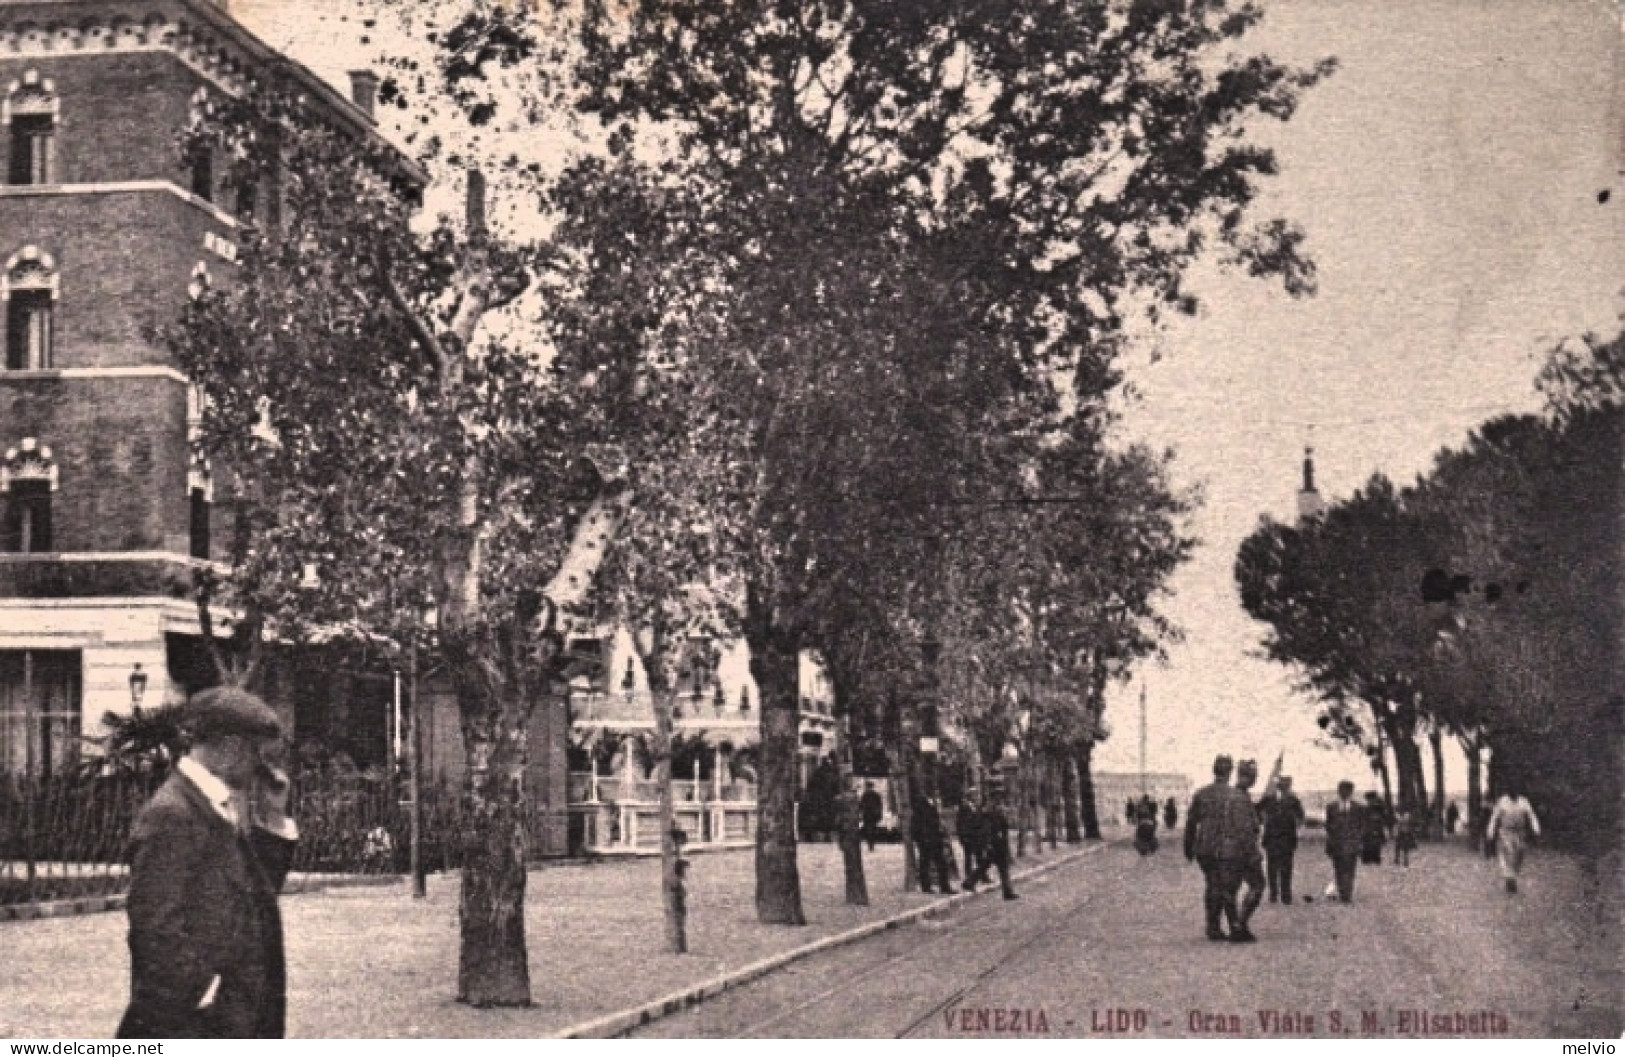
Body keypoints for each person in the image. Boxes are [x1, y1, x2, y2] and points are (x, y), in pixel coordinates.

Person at [117, 688, 298, 1039]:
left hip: (234, 1017)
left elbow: (253, 900)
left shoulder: (213, 803)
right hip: (196, 1024)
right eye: (258, 753)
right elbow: (155, 929)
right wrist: (206, 992)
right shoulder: (172, 813)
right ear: (231, 747)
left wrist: (273, 819)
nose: (264, 767)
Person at [1184, 755, 1252, 941]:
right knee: (1227, 887)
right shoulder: (1236, 796)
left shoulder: (1201, 794)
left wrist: (1188, 848)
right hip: (1227, 849)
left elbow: (1191, 823)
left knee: (1212, 884)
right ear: (1230, 772)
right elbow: (1242, 827)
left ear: (1214, 770)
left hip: (1205, 848)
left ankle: (1212, 925)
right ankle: (1232, 925)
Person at [1224, 759, 1265, 942]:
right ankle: (1240, 924)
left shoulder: (1234, 795)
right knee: (1258, 885)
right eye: (1253, 776)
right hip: (1242, 852)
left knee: (1231, 889)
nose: (1254, 780)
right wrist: (1254, 853)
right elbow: (1244, 830)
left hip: (1229, 851)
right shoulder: (1240, 798)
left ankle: (1236, 925)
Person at [1257, 775, 1305, 904]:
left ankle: (1285, 894)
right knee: (1271, 868)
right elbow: (1256, 811)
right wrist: (1262, 821)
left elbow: (1301, 816)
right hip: (1271, 838)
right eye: (1282, 784)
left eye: (1286, 784)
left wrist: (1295, 825)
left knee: (1286, 867)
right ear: (1278, 785)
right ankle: (1273, 893)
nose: (1284, 786)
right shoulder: (1268, 799)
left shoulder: (1293, 800)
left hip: (1287, 839)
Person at [1486, 786, 1541, 894]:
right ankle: (1509, 877)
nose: (1513, 793)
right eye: (1511, 791)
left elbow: (1531, 815)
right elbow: (1494, 818)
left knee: (1519, 855)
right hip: (1505, 832)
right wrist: (1490, 832)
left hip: (1520, 833)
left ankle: (1513, 874)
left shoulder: (1524, 802)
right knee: (1508, 854)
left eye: (1515, 790)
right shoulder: (1502, 801)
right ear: (1508, 791)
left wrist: (1536, 829)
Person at [1323, 780, 1366, 903]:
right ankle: (1343, 892)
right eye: (1341, 790)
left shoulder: (1359, 808)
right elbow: (1328, 825)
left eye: (1347, 790)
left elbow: (1362, 826)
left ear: (1351, 792)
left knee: (1350, 869)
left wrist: (1358, 840)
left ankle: (1347, 894)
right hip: (1336, 844)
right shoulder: (1331, 807)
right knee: (1338, 869)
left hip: (1352, 845)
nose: (1343, 793)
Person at [910, 792, 956, 895]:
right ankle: (938, 886)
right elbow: (918, 828)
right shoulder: (923, 809)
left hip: (932, 840)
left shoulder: (925, 809)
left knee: (932, 863)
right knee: (930, 863)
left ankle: (933, 886)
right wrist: (922, 839)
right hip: (929, 840)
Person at [978, 790, 1018, 900]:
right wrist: (988, 843)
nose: (999, 799)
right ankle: (1008, 892)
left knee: (992, 865)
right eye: (998, 797)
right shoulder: (989, 811)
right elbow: (987, 828)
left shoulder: (998, 809)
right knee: (1001, 867)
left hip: (1000, 842)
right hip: (995, 842)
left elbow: (1005, 824)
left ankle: (969, 882)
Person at [956, 795, 987, 892]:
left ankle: (983, 876)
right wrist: (963, 837)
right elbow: (960, 823)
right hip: (968, 837)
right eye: (975, 795)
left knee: (980, 856)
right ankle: (969, 878)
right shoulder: (964, 808)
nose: (977, 798)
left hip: (977, 837)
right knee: (968, 857)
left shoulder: (977, 808)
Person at [1359, 792, 1388, 865]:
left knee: (1373, 844)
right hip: (1370, 829)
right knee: (1371, 844)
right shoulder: (1374, 807)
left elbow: (1380, 818)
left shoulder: (1376, 807)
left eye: (1369, 799)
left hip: (1373, 828)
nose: (1369, 801)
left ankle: (1372, 859)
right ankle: (1371, 859)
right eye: (1369, 800)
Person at [859, 781, 884, 851]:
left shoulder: (874, 795)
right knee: (869, 830)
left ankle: (871, 844)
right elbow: (861, 805)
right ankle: (870, 844)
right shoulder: (865, 795)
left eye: (869, 787)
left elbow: (879, 806)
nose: (868, 788)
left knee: (871, 830)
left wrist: (879, 814)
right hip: (868, 815)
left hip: (872, 815)